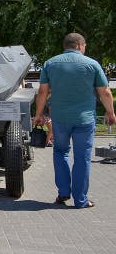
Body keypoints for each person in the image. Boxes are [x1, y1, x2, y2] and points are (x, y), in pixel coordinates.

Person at [34, 33, 116, 208]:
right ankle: (80, 200)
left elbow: (42, 92)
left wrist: (39, 114)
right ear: (79, 45)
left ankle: (63, 192)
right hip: (84, 120)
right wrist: (110, 112)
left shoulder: (50, 63)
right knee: (82, 158)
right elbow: (105, 92)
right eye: (84, 46)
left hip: (60, 119)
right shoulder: (92, 64)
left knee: (60, 152)